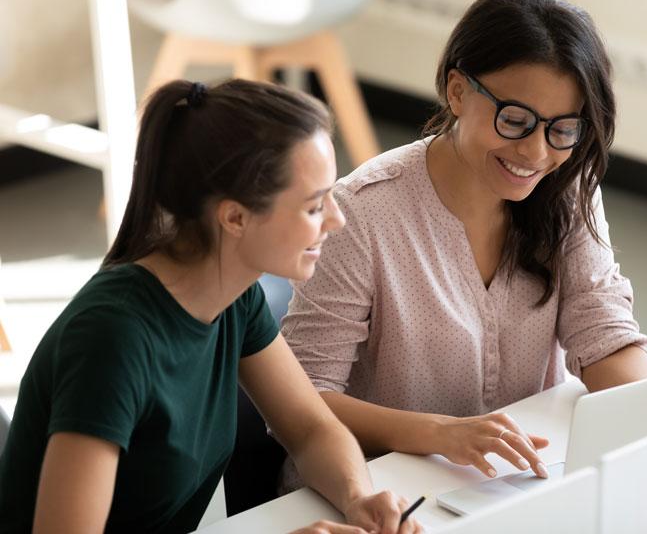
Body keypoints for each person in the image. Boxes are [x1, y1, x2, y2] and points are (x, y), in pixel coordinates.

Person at [280, 0, 647, 492]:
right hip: (376, 487)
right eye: (516, 120)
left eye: (563, 129)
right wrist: (439, 433)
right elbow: (299, 402)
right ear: (457, 92)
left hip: (510, 482)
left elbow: (605, 334)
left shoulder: (568, 191)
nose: (536, 152)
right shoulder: (363, 212)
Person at [0, 80, 420, 534]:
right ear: (235, 217)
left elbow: (310, 428)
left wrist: (358, 496)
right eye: (315, 206)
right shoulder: (112, 340)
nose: (337, 220)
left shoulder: (235, 296)